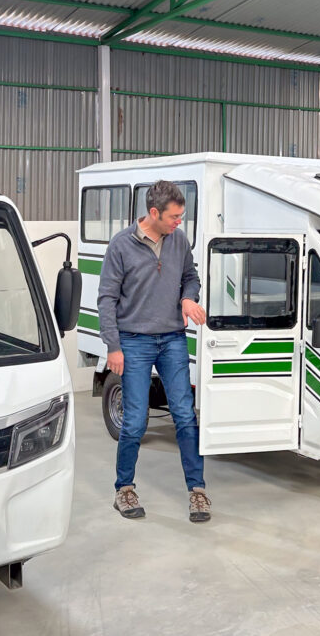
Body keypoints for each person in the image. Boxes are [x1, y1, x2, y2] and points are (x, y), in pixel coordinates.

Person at [97, 180, 211, 523]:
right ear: (154, 212)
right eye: (174, 216)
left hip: (172, 338)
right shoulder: (121, 246)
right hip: (133, 341)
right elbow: (106, 300)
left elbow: (191, 277)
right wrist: (113, 346)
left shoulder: (178, 241)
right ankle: (124, 489)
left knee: (185, 416)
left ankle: (198, 491)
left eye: (181, 216)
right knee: (135, 421)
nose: (179, 222)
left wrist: (188, 297)